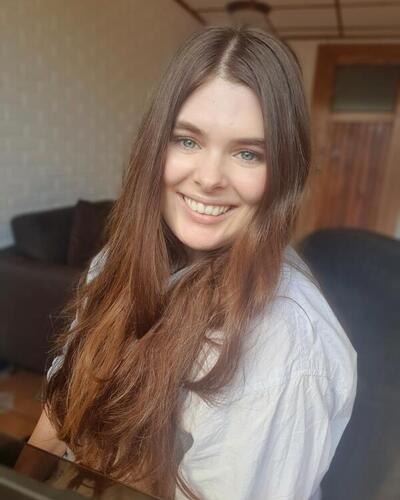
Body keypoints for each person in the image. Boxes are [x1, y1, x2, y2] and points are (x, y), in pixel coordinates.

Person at [27, 26, 357, 500]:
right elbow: (61, 407)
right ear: (154, 146)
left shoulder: (284, 344)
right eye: (187, 141)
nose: (209, 178)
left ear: (283, 172)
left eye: (248, 153)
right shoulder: (115, 262)